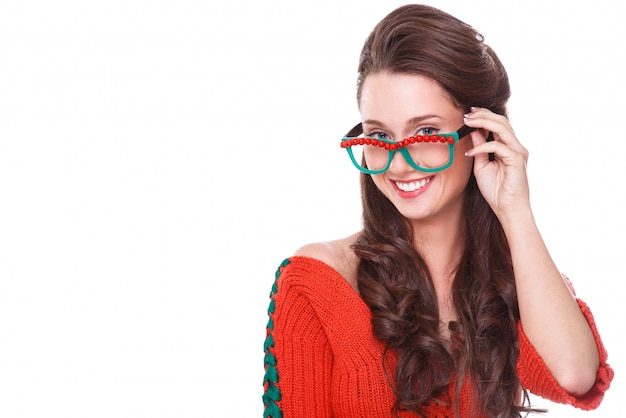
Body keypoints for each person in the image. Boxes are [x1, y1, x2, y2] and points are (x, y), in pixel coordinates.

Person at [262, 4, 614, 417]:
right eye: (379, 135)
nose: (398, 163)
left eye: (426, 131)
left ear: (481, 132)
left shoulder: (514, 280)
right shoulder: (318, 279)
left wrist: (515, 210)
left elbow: (573, 376)